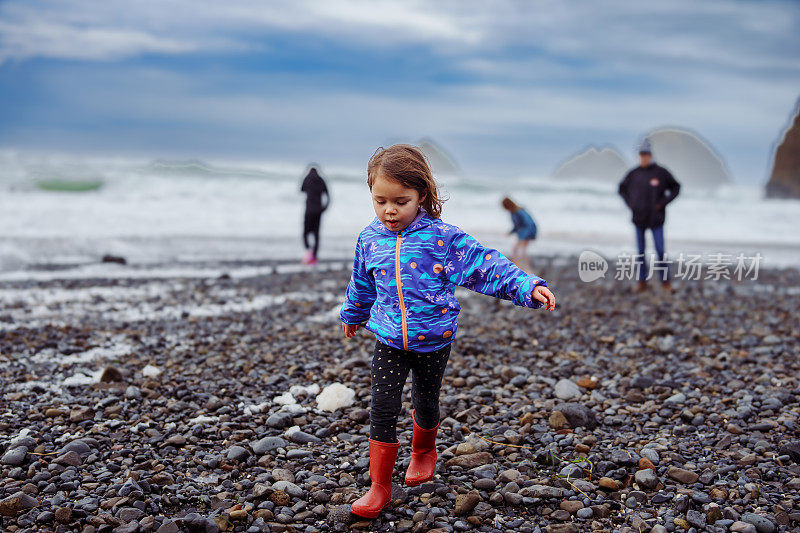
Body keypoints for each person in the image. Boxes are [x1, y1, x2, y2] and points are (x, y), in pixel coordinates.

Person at [339, 144, 556, 520]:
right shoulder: (369, 239)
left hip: (434, 339)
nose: (389, 210)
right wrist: (354, 313)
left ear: (421, 195)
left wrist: (527, 286)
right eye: (380, 201)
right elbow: (361, 282)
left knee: (426, 401)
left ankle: (423, 452)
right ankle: (379, 487)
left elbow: (486, 267)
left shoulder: (443, 238)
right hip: (388, 339)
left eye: (400, 201)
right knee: (382, 407)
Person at [618, 138, 681, 292]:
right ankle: (642, 282)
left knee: (660, 250)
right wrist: (631, 204)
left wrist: (663, 203)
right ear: (639, 155)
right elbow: (621, 189)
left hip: (656, 219)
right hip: (639, 218)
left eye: (646, 154)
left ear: (651, 155)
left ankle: (665, 282)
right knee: (640, 252)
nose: (644, 157)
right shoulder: (634, 174)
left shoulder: (660, 173)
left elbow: (676, 187)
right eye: (641, 154)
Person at [300, 166, 329, 264]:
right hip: (318, 211)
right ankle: (314, 257)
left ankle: (309, 252)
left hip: (308, 211)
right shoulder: (321, 180)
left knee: (305, 233)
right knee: (316, 235)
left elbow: (301, 189)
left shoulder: (307, 179)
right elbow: (328, 195)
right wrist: (325, 207)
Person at [501, 197, 537, 273]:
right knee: (516, 249)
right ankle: (518, 267)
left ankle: (526, 268)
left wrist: (526, 236)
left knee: (521, 250)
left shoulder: (519, 211)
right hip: (523, 233)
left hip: (527, 232)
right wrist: (510, 232)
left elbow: (529, 223)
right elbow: (517, 226)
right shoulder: (513, 212)